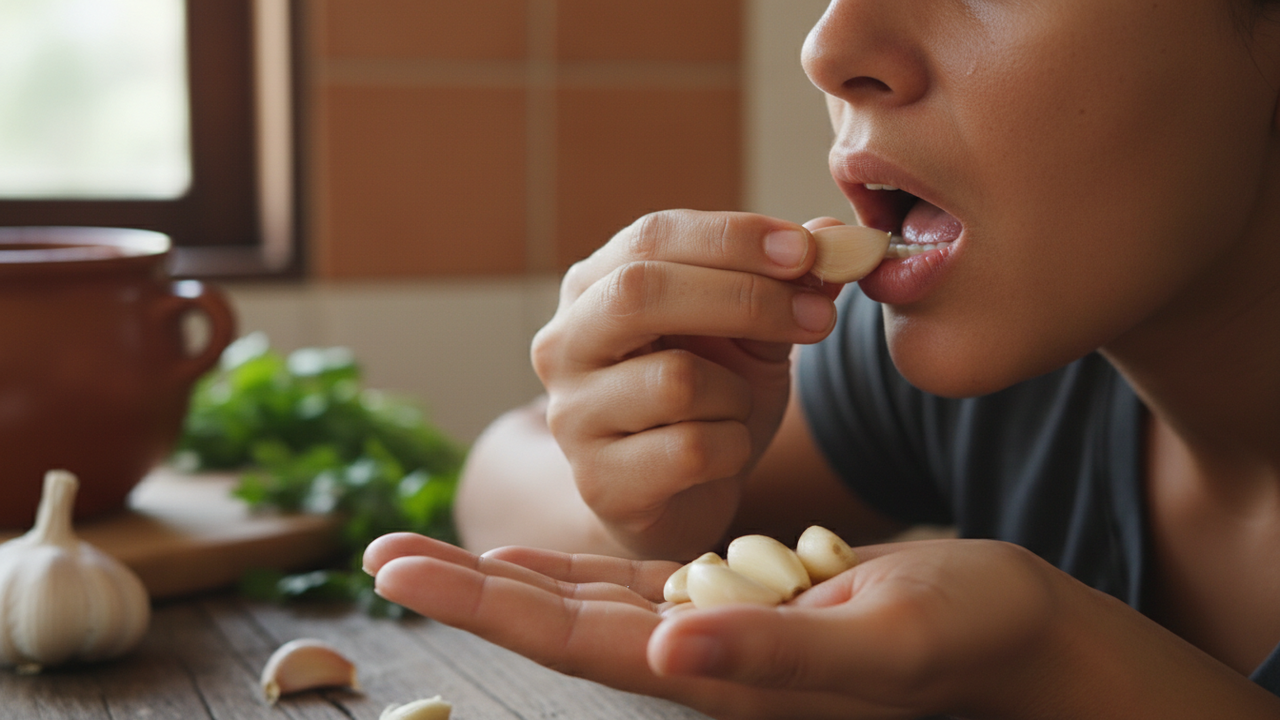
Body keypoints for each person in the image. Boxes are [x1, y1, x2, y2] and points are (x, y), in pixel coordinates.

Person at [363, 0, 1280, 717]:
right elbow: (500, 477)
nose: (828, 47)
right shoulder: (1022, 349)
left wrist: (1064, 671)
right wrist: (650, 497)